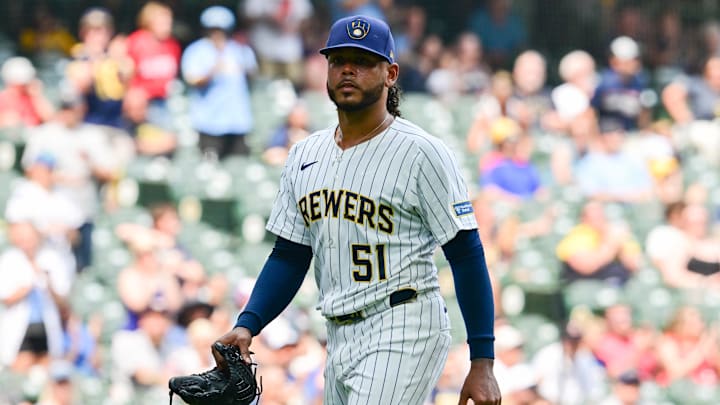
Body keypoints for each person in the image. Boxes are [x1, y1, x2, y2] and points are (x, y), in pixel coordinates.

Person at [216, 15, 500, 404]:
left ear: (390, 73)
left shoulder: (422, 153)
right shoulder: (304, 154)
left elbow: (466, 254)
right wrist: (249, 323)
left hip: (404, 321)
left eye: (363, 61)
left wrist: (482, 360)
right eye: (338, 60)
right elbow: (290, 254)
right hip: (338, 332)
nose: (348, 69)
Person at [181, 5, 258, 159]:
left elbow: (253, 74)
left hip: (237, 121)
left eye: (222, 29)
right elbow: (192, 79)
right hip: (209, 123)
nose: (218, 33)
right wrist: (213, 69)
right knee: (210, 167)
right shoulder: (197, 51)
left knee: (239, 165)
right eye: (214, 29)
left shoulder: (239, 49)